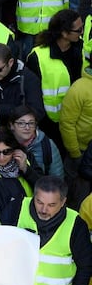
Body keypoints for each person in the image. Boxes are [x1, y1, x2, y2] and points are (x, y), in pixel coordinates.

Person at [7, 176, 92, 285]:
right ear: (34, 196)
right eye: (39, 202)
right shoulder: (17, 208)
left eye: (51, 205)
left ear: (63, 201)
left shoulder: (76, 224)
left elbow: (85, 265)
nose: (44, 210)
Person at [27, 9, 84, 151]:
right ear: (64, 33)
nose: (82, 32)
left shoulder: (82, 50)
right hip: (51, 125)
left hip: (79, 120)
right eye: (78, 30)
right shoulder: (38, 57)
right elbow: (32, 94)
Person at [60, 63, 92, 193]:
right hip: (81, 151)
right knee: (77, 190)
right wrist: (75, 153)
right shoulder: (79, 88)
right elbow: (66, 123)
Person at [10, 105, 64, 179]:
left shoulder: (47, 145)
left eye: (31, 123)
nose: (27, 127)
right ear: (12, 125)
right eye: (21, 123)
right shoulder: (4, 143)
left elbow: (57, 179)